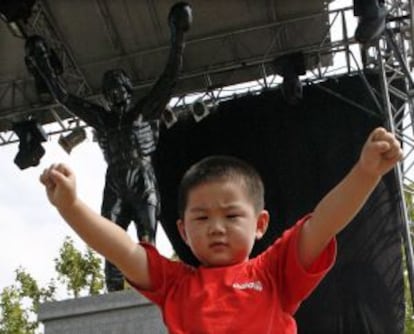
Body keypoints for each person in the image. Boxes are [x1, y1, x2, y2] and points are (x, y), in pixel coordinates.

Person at [39, 127, 402, 333]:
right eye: (201, 218)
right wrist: (72, 206)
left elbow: (324, 222)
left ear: (260, 224)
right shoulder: (177, 285)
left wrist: (366, 173)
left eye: (231, 217)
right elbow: (121, 249)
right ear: (182, 230)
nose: (216, 228)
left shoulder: (274, 272)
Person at [25, 2, 192, 291]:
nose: (114, 92)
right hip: (115, 179)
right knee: (109, 240)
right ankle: (113, 296)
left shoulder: (143, 112)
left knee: (146, 239)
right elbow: (65, 97)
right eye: (109, 88)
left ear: (128, 91)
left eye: (119, 87)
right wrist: (42, 63)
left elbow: (169, 78)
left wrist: (178, 35)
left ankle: (151, 292)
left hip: (142, 176)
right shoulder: (101, 120)